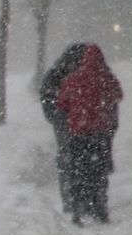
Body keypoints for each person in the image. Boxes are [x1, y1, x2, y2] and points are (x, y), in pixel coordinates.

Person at [52, 43, 123, 225]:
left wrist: (75, 112)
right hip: (100, 134)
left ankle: (77, 209)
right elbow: (118, 95)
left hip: (78, 133)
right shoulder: (106, 78)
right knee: (98, 172)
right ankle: (100, 209)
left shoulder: (73, 79)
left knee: (78, 171)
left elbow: (62, 103)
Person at [38, 43, 84, 213]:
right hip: (76, 123)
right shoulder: (81, 74)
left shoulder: (56, 74)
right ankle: (78, 199)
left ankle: (71, 199)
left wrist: (56, 116)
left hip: (67, 122)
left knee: (68, 158)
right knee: (75, 158)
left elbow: (46, 95)